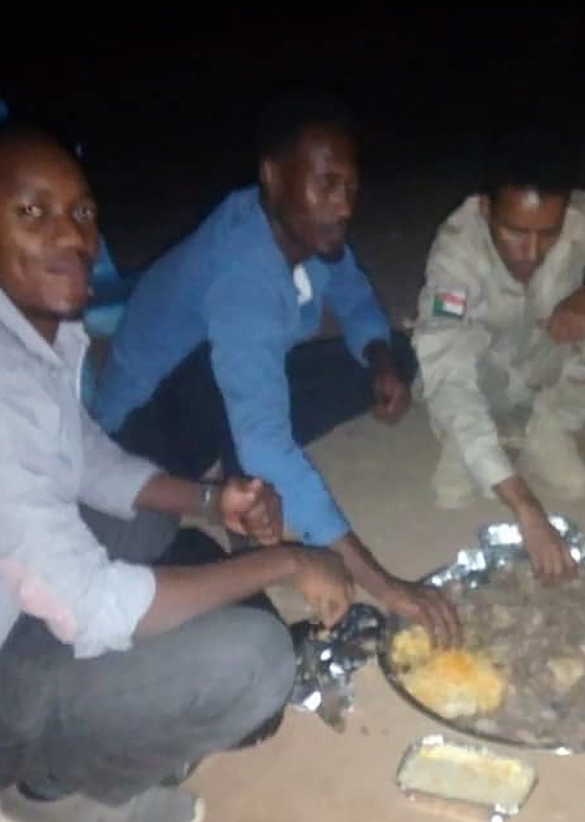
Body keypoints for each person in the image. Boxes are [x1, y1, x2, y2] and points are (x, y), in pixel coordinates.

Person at [0, 121, 357, 822]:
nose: (72, 236)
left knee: (154, 529)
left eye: (82, 212)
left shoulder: (10, 328)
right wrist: (288, 561)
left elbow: (86, 460)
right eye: (33, 213)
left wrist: (204, 499)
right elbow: (93, 605)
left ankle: (112, 701)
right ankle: (56, 792)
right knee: (255, 661)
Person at [92, 90, 456, 644]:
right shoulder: (244, 269)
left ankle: (249, 481)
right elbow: (264, 439)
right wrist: (385, 585)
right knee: (254, 451)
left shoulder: (309, 231)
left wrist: (380, 361)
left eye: (351, 187)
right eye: (326, 183)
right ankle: (225, 532)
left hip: (225, 381)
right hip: (151, 416)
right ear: (272, 175)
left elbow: (355, 296)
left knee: (397, 352)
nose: (343, 205)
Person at [413, 129, 585, 581]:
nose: (532, 252)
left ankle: (550, 429)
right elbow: (450, 377)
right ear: (485, 209)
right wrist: (526, 508)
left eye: (547, 234)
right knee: (452, 485)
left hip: (542, 362)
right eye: (515, 232)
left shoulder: (579, 219)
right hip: (481, 378)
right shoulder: (455, 253)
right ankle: (471, 442)